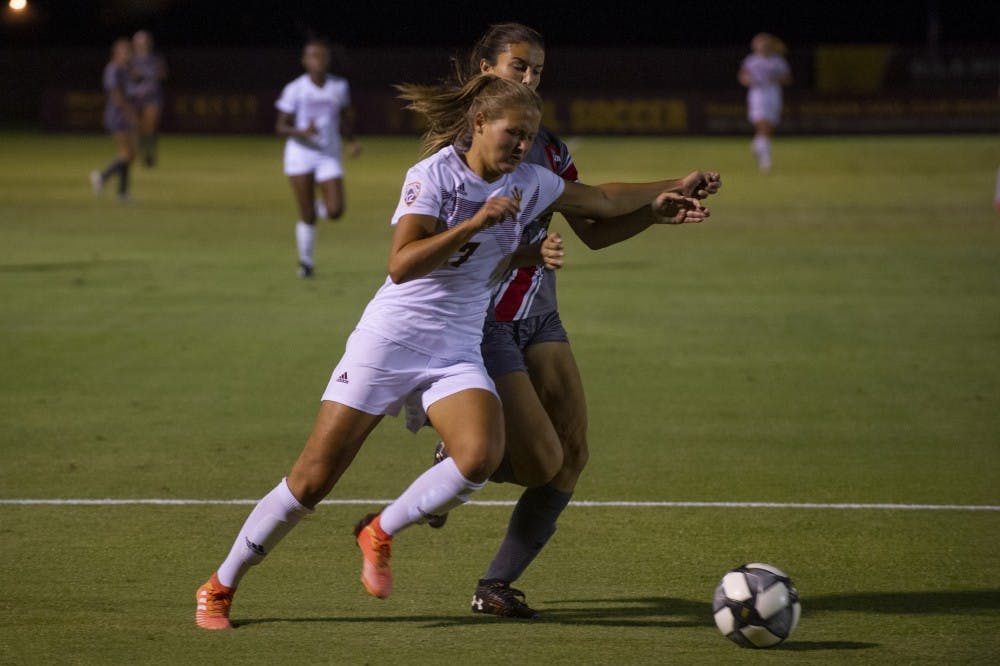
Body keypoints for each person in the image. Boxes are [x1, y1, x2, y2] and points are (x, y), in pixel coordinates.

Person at [194, 73, 712, 630]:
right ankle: (220, 586)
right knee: (313, 480)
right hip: (391, 341)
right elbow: (401, 264)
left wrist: (664, 197)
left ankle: (380, 531)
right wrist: (476, 222)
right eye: (513, 133)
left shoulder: (531, 181)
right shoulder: (434, 175)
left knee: (479, 456)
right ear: (480, 123)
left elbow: (603, 199)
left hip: (458, 348)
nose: (523, 145)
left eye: (530, 135)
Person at [418, 23, 721, 619]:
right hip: (480, 322)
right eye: (518, 66)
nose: (530, 78)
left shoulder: (548, 149)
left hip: (540, 315)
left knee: (573, 453)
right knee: (537, 459)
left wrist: (661, 202)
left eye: (537, 69)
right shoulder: (454, 155)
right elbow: (434, 252)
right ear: (485, 68)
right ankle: (458, 461)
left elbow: (596, 221)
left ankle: (495, 585)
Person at [275, 37, 361, 278]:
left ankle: (314, 208)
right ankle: (306, 262)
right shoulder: (295, 89)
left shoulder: (339, 86)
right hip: (300, 153)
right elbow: (280, 126)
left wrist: (351, 141)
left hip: (327, 154)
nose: (319, 61)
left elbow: (344, 118)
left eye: (322, 56)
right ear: (304, 60)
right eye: (313, 56)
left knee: (335, 210)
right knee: (307, 215)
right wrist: (301, 132)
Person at [90, 38, 137, 202]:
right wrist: (128, 112)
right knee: (126, 153)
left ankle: (116, 188)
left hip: (125, 114)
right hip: (117, 115)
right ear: (116, 53)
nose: (127, 54)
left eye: (128, 51)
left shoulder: (125, 70)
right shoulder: (113, 69)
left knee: (130, 155)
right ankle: (106, 180)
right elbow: (115, 94)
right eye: (124, 51)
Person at [738, 32, 792, 173]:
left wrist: (775, 78)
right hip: (757, 94)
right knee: (762, 123)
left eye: (766, 44)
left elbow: (787, 78)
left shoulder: (777, 61)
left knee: (770, 126)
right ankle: (765, 160)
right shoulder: (751, 60)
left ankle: (757, 144)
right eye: (760, 44)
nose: (763, 46)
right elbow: (743, 76)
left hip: (773, 93)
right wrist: (748, 80)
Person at [128, 30, 168, 168]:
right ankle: (141, 154)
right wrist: (134, 75)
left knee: (150, 126)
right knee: (138, 128)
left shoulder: (155, 58)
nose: (141, 45)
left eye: (144, 42)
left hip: (152, 96)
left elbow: (163, 74)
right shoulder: (131, 59)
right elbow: (126, 76)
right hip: (135, 97)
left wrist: (151, 74)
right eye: (138, 43)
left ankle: (150, 155)